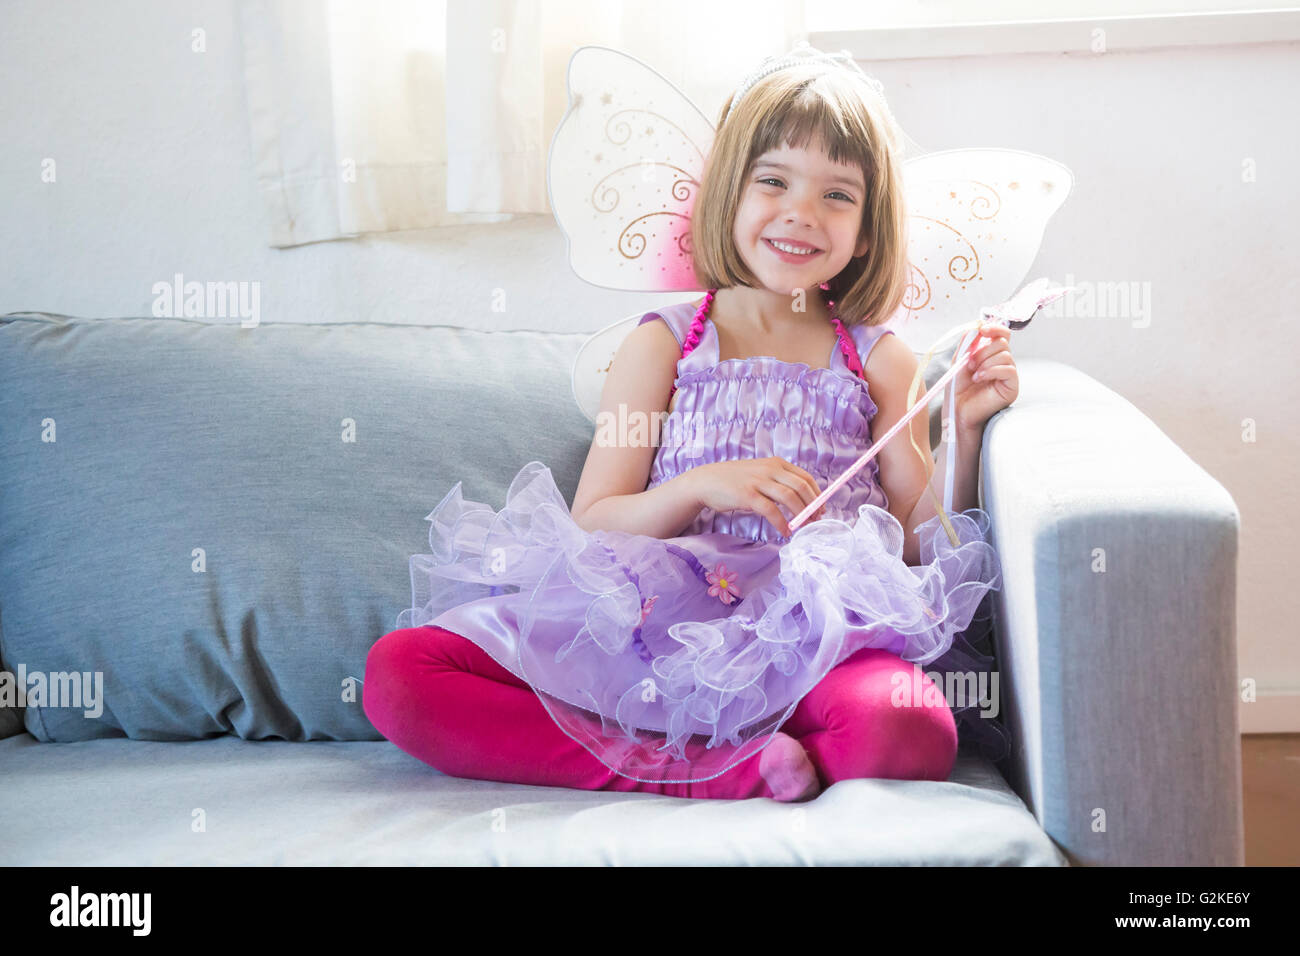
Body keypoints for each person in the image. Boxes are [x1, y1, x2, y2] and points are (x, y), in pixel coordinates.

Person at [364, 50, 1016, 802]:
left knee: (912, 728)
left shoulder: (880, 360)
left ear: (867, 232)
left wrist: (963, 432)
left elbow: (914, 542)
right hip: (650, 631)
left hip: (811, 639)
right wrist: (703, 486)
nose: (801, 212)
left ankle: (762, 737)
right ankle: (714, 773)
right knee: (401, 675)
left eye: (837, 195)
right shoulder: (665, 343)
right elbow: (597, 519)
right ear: (727, 197)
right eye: (773, 180)